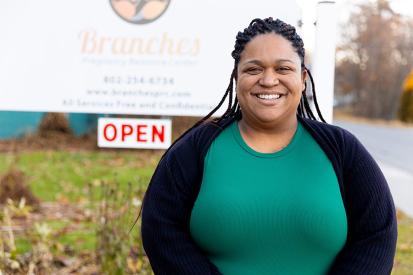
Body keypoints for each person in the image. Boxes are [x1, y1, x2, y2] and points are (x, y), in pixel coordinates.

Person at [140, 17, 397, 275]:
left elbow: (377, 234)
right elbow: (161, 228)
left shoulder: (342, 149)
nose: (268, 80)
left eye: (283, 69)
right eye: (253, 69)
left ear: (303, 78)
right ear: (236, 77)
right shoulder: (196, 148)